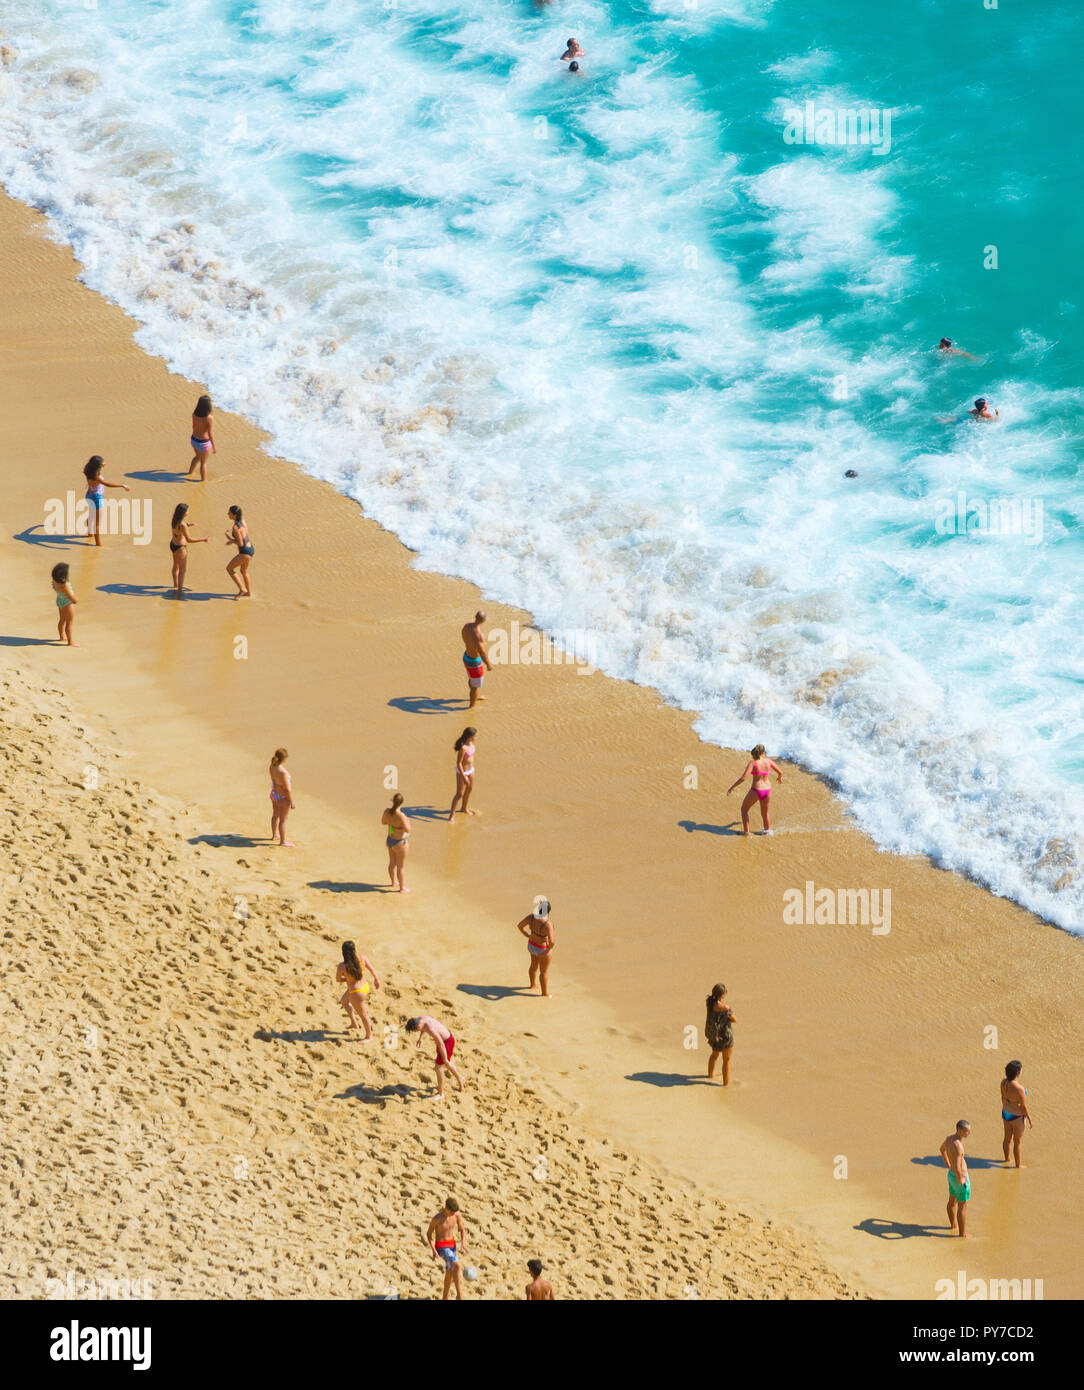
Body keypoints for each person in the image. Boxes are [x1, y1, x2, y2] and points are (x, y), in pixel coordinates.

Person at [727, 743, 783, 835]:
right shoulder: (768, 761)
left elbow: (743, 778)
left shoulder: (753, 763)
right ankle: (767, 832)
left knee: (744, 810)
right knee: (765, 813)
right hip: (767, 790)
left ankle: (747, 833)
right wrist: (779, 777)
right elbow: (780, 772)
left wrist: (732, 787)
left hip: (756, 790)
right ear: (763, 752)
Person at [406, 1014, 465, 1098]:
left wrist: (444, 1059)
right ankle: (460, 1078)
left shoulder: (431, 1029)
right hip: (445, 1040)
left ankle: (441, 1094)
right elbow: (423, 1029)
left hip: (446, 1043)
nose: (416, 1032)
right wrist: (420, 1038)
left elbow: (441, 1044)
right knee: (445, 1064)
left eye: (415, 1031)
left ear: (418, 1027)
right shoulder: (421, 1019)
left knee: (439, 1067)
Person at [425, 1199, 470, 1300]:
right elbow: (428, 1234)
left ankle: (445, 1297)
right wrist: (433, 1250)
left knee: (450, 1271)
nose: (454, 1214)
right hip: (441, 1246)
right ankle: (460, 1296)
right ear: (446, 1208)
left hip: (452, 1246)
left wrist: (463, 1243)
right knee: (457, 1266)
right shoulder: (437, 1219)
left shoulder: (457, 1215)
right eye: (452, 1212)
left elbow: (462, 1229)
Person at [336, 940, 381, 1039]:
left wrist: (347, 979)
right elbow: (372, 969)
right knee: (344, 1002)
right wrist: (377, 979)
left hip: (356, 993)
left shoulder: (342, 966)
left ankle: (369, 1037)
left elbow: (338, 979)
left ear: (343, 952)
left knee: (364, 1016)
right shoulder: (362, 958)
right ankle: (354, 1023)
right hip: (365, 986)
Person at [82, 455, 130, 547]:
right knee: (97, 524)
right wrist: (122, 485)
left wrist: (101, 465)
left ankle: (89, 534)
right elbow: (108, 484)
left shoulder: (87, 470)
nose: (104, 464)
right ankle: (99, 545)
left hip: (89, 495)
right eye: (102, 463)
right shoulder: (97, 477)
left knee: (90, 516)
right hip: (97, 498)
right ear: (97, 466)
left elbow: (86, 474)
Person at [939, 1120, 972, 1237]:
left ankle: (953, 1225)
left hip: (951, 1175)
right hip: (959, 1177)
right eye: (967, 1131)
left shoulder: (949, 1139)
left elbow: (942, 1149)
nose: (969, 1132)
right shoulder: (959, 1147)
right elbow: (958, 1167)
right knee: (962, 1206)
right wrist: (961, 1180)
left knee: (952, 1201)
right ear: (959, 1130)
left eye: (969, 1130)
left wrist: (948, 1165)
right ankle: (962, 1234)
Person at [516, 899, 555, 997]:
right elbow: (552, 941)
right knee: (544, 971)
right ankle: (545, 993)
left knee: (533, 966)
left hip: (532, 945)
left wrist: (527, 935)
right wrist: (549, 947)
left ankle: (532, 985)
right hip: (542, 948)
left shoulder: (531, 917)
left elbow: (520, 926)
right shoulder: (547, 924)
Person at [169, 502, 208, 596]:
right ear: (184, 513)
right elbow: (189, 540)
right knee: (182, 570)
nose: (188, 512)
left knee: (175, 565)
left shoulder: (174, 519)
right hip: (180, 548)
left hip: (173, 544)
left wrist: (189, 524)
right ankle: (179, 591)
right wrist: (203, 539)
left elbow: (179, 528)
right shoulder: (183, 525)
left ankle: (175, 585)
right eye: (187, 510)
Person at [1000, 1060, 1033, 1169]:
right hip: (1016, 1117)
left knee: (1007, 1138)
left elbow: (1003, 1098)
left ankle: (1007, 1159)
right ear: (1018, 1072)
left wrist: (1008, 1107)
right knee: (1017, 1142)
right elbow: (1024, 1106)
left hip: (1005, 1113)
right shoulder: (1020, 1089)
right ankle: (1018, 1166)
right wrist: (1029, 1119)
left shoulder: (1003, 1082)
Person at [705, 983, 735, 1085]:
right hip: (725, 1035)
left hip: (714, 1034)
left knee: (714, 1055)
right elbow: (734, 1019)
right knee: (726, 1059)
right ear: (722, 995)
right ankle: (726, 1083)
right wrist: (729, 1008)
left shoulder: (709, 1002)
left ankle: (710, 1075)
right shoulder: (724, 1008)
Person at [461, 611, 491, 707]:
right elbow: (481, 651)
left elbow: (464, 638)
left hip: (466, 656)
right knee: (475, 686)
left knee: (471, 678)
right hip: (474, 662)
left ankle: (475, 695)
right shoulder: (479, 635)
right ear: (484, 620)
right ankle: (471, 706)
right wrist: (488, 664)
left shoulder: (466, 626)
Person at [382, 792, 411, 892]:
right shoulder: (401, 816)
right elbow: (408, 830)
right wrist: (407, 821)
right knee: (400, 867)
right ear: (402, 803)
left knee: (392, 863)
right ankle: (402, 888)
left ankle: (393, 882)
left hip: (390, 839)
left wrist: (394, 826)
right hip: (400, 842)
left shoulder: (387, 811)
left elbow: (383, 822)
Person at [447, 727, 478, 819]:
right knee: (459, 794)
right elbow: (459, 763)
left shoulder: (472, 744)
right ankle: (451, 816)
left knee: (470, 789)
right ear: (470, 737)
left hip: (471, 770)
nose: (476, 738)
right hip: (462, 772)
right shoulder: (463, 748)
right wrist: (464, 776)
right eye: (475, 736)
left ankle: (464, 808)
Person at [225, 505, 254, 597]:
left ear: (234, 515)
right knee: (244, 571)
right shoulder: (243, 521)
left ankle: (242, 589)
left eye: (229, 513)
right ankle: (248, 593)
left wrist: (231, 541)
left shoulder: (235, 527)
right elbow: (244, 535)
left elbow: (241, 543)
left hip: (244, 552)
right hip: (250, 549)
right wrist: (232, 538)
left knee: (229, 569)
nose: (228, 514)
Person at [269, 748, 295, 846]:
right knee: (283, 820)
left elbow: (273, 780)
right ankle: (283, 841)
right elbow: (287, 790)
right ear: (284, 758)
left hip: (274, 794)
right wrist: (291, 802)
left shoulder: (272, 766)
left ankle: (274, 835)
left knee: (275, 815)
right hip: (282, 797)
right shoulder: (283, 772)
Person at [187, 394, 216, 481]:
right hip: (204, 443)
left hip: (194, 439)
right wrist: (214, 446)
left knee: (197, 457)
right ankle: (204, 480)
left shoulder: (194, 414)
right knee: (203, 463)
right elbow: (210, 433)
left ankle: (190, 473)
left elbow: (193, 426)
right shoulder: (209, 418)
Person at [51, 563, 78, 646]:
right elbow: (71, 597)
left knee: (62, 620)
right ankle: (70, 642)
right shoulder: (64, 585)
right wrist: (75, 600)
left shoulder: (54, 581)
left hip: (60, 601)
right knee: (69, 623)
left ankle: (61, 637)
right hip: (67, 603)